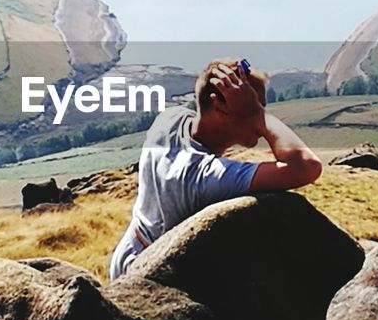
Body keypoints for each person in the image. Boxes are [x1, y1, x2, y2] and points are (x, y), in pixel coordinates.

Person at [108, 57, 323, 280]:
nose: (262, 124)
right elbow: (306, 166)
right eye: (253, 105)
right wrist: (256, 114)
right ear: (220, 107)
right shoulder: (203, 177)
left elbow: (202, 105)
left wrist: (240, 101)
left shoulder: (170, 120)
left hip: (127, 251)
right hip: (146, 273)